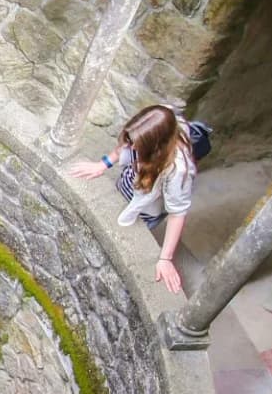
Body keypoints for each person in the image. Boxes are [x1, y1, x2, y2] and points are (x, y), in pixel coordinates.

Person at [67, 105, 195, 294]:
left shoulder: (178, 171)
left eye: (139, 146)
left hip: (146, 208)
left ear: (157, 146)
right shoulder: (153, 123)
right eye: (131, 140)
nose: (133, 147)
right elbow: (125, 146)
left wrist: (165, 258)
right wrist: (103, 164)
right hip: (132, 182)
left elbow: (178, 213)